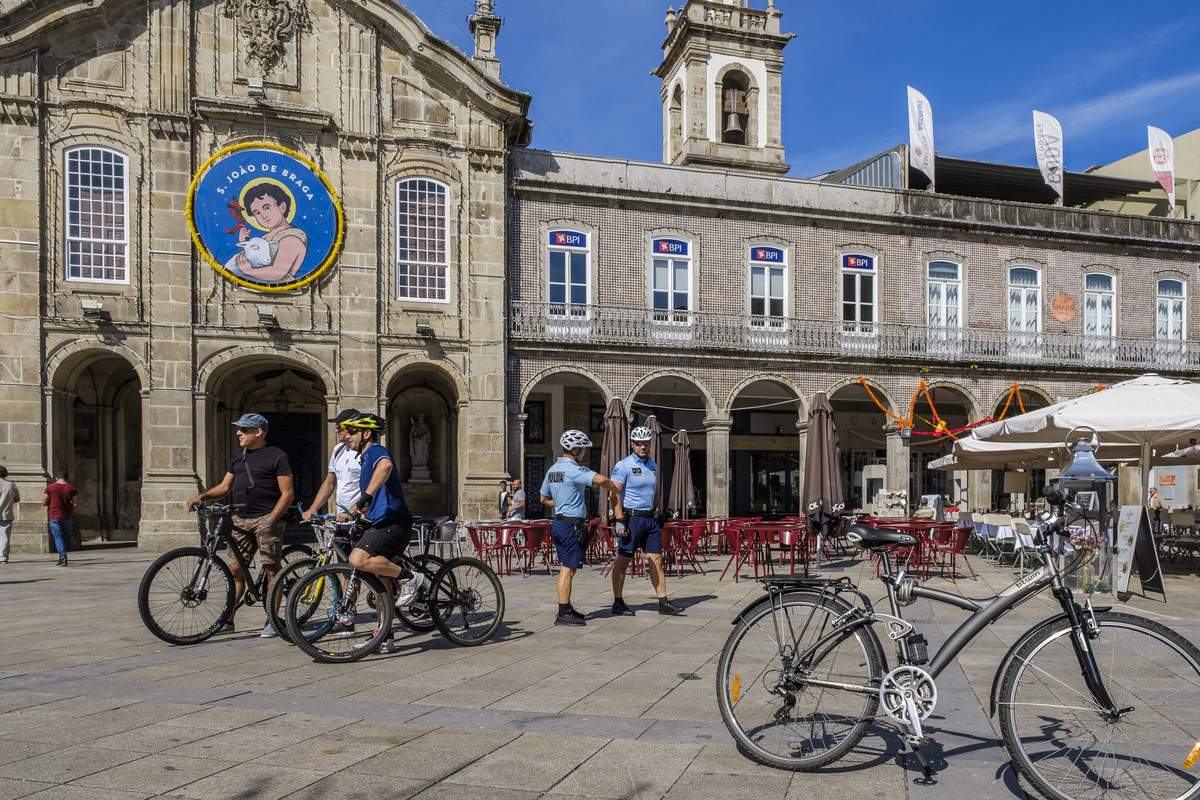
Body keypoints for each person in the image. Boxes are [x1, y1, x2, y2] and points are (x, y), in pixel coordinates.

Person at [186, 413, 294, 637]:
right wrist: (201, 497)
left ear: (258, 432)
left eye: (244, 429)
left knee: (271, 568)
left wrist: (272, 519)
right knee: (234, 570)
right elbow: (225, 487)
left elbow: (288, 494)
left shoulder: (277, 456)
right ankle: (228, 619)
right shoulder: (238, 455)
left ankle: (273, 621)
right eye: (239, 429)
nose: (238, 433)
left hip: (266, 519)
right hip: (240, 519)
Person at [343, 413, 420, 654]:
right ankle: (384, 634)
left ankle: (409, 577)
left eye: (352, 431)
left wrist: (364, 498)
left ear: (366, 433)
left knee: (357, 559)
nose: (346, 436)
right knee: (381, 580)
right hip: (380, 521)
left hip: (393, 522)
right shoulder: (365, 458)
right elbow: (372, 495)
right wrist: (355, 510)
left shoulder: (375, 450)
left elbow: (385, 466)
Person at [539, 430, 622, 626]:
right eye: (584, 449)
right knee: (567, 569)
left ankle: (566, 607)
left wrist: (560, 505)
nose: (585, 452)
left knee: (568, 568)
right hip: (570, 526)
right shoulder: (575, 469)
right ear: (576, 450)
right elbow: (602, 480)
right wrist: (615, 490)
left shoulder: (552, 470)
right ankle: (562, 614)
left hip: (559, 523)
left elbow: (543, 498)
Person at [609, 427, 683, 617]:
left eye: (646, 443)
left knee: (657, 560)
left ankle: (663, 602)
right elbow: (613, 494)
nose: (643, 446)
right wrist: (619, 520)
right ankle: (618, 602)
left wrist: (659, 512)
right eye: (639, 443)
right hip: (631, 519)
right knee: (624, 561)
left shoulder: (653, 465)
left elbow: (656, 491)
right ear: (632, 444)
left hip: (650, 519)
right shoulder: (623, 465)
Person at [234, 182, 309, 282]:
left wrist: (248, 271)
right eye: (257, 213)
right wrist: (245, 245)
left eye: (267, 208)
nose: (263, 216)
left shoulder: (292, 238)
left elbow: (278, 273)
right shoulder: (265, 237)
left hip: (279, 289)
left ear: (282, 207)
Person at [302, 409, 361, 523]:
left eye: (340, 426)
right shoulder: (338, 450)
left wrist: (351, 511)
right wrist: (314, 508)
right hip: (341, 518)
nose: (336, 430)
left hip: (359, 518)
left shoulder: (366, 453)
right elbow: (329, 483)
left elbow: (372, 490)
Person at [42, 471, 77, 566]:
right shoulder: (72, 488)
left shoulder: (50, 488)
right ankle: (63, 555)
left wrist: (52, 502)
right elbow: (75, 504)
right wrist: (67, 503)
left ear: (56, 478)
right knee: (64, 537)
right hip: (67, 516)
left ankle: (62, 557)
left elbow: (44, 502)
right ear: (66, 478)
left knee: (58, 537)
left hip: (54, 516)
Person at [0, 466, 18, 564]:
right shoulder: (11, 485)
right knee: (4, 536)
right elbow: (17, 498)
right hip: (6, 514)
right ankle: (3, 557)